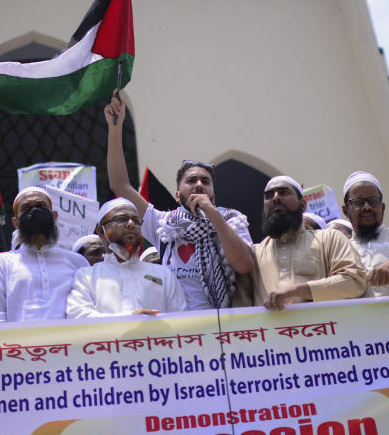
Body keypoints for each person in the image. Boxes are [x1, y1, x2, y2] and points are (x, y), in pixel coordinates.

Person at [104, 91, 254, 310]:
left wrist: (212, 215)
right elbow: (120, 185)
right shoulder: (164, 225)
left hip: (221, 325)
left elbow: (244, 264)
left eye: (205, 181)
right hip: (178, 331)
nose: (199, 184)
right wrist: (115, 129)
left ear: (213, 193)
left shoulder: (231, 220)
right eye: (191, 180)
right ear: (177, 194)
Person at [250, 176, 366, 310]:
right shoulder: (254, 254)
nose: (276, 198)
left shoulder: (330, 238)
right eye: (269, 196)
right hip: (271, 330)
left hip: (324, 329)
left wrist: (297, 290)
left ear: (303, 205)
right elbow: (241, 304)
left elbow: (354, 282)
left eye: (284, 192)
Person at [0, 187, 87, 322]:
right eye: (26, 208)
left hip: (69, 343)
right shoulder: (0, 263)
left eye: (41, 206)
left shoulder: (77, 261)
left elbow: (86, 312)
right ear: (15, 222)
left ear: (54, 217)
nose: (35, 211)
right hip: (17, 343)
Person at [67, 199, 186, 317]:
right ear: (101, 232)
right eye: (122, 219)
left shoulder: (163, 274)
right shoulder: (86, 277)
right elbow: (77, 316)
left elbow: (182, 321)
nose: (131, 224)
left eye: (136, 220)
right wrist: (128, 319)